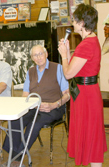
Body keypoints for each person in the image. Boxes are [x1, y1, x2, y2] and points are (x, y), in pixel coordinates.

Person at [2, 45, 69, 167]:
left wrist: (54, 105)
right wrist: (21, 108)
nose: (38, 57)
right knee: (15, 121)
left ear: (46, 54)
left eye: (40, 54)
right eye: (35, 55)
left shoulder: (58, 68)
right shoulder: (31, 71)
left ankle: (18, 159)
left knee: (35, 123)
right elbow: (25, 94)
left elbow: (67, 95)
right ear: (32, 58)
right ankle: (15, 156)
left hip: (53, 107)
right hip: (33, 107)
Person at [58, 4, 107, 167]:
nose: (73, 23)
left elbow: (68, 74)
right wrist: (68, 52)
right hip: (86, 92)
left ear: (82, 23)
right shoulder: (91, 40)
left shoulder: (86, 44)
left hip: (86, 96)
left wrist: (64, 55)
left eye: (74, 20)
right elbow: (78, 69)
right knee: (91, 137)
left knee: (91, 136)